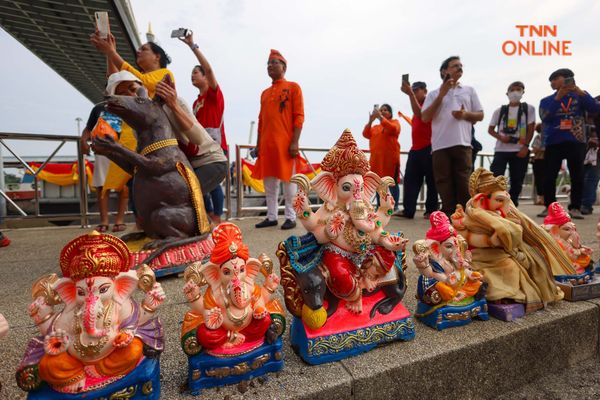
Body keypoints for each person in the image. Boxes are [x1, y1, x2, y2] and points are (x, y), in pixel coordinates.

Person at [451, 168, 573, 314]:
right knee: (499, 270)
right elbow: (468, 238)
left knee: (514, 266)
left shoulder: (499, 213)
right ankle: (499, 295)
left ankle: (511, 295)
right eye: (499, 200)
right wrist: (490, 240)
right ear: (482, 199)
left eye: (505, 200)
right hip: (481, 256)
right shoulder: (473, 217)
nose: (504, 205)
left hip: (502, 254)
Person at [422, 56, 484, 216]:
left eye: (460, 65)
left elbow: (480, 115)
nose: (459, 67)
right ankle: (449, 217)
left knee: (464, 182)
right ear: (444, 71)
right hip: (440, 145)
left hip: (463, 144)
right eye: (455, 65)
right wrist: (441, 95)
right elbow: (425, 117)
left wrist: (465, 114)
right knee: (443, 182)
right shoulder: (433, 94)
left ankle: (465, 216)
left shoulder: (469, 90)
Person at [80, 71, 142, 232]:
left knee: (125, 187)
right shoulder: (98, 108)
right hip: (102, 151)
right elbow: (88, 129)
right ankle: (104, 220)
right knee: (101, 186)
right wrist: (83, 141)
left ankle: (119, 220)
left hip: (123, 150)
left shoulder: (129, 106)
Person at [537, 68, 600, 219]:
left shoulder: (580, 96)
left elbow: (596, 109)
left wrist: (581, 92)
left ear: (568, 78)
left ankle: (575, 207)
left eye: (555, 79)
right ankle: (550, 207)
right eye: (550, 81)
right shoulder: (547, 100)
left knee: (577, 175)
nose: (552, 82)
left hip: (576, 141)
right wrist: (558, 98)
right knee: (549, 175)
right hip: (553, 142)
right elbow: (544, 116)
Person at [252, 49, 304, 230]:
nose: (270, 66)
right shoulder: (264, 93)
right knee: (269, 183)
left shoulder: (293, 87)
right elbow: (261, 121)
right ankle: (271, 216)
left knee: (289, 182)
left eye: (274, 62)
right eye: (268, 63)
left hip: (285, 143)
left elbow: (299, 116)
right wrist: (258, 145)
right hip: (267, 144)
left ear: (284, 66)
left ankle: (290, 216)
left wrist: (295, 141)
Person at [180, 31, 227, 224]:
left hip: (215, 146)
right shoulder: (195, 103)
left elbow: (209, 69)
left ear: (206, 78)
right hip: (200, 147)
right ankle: (207, 215)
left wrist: (193, 46)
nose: (192, 76)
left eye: (196, 73)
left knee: (213, 183)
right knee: (199, 182)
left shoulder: (214, 96)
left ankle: (217, 216)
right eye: (191, 73)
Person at [487, 81, 536, 207]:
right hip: (501, 149)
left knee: (517, 179)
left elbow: (531, 128)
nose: (515, 92)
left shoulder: (528, 109)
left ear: (523, 92)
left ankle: (512, 204)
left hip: (520, 149)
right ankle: (495, 201)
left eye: (518, 89)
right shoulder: (500, 111)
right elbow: (490, 129)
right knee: (496, 176)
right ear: (507, 93)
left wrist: (526, 146)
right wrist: (501, 137)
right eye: (512, 90)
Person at [397, 81, 438, 219]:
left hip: (430, 147)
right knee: (410, 180)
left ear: (424, 90)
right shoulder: (416, 107)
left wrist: (409, 94)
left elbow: (421, 114)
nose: (413, 92)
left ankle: (431, 211)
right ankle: (408, 210)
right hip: (415, 149)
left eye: (416, 90)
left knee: (432, 181)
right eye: (412, 90)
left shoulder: (429, 103)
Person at [90, 33, 174, 99]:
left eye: (144, 49)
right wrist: (110, 51)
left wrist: (111, 52)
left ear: (157, 56)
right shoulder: (137, 76)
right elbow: (114, 78)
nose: (138, 51)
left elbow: (143, 81)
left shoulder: (166, 74)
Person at [362, 103, 400, 208]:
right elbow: (365, 134)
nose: (382, 111)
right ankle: (381, 207)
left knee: (392, 183)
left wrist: (380, 117)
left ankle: (394, 206)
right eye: (381, 110)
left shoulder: (395, 122)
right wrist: (371, 120)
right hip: (376, 161)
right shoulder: (375, 127)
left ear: (390, 113)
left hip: (390, 161)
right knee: (378, 184)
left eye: (385, 110)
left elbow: (393, 129)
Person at [581, 96, 600, 214]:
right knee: (581, 178)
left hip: (596, 154)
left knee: (592, 178)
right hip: (582, 152)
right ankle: (581, 203)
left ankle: (587, 204)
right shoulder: (582, 118)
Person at [531, 123, 546, 205]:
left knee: (539, 180)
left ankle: (540, 198)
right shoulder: (546, 136)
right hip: (545, 160)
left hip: (538, 160)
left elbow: (535, 148)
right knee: (544, 180)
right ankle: (543, 198)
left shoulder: (538, 137)